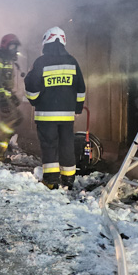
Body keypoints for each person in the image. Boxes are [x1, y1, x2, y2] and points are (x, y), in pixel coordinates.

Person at [24, 26, 86, 190]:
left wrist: (34, 101)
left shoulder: (41, 62)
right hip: (67, 115)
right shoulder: (72, 61)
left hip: (46, 115)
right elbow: (81, 87)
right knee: (67, 145)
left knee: (49, 145)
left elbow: (31, 88)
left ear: (46, 41)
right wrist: (78, 108)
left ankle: (51, 180)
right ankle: (68, 179)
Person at [0, 34, 24, 162]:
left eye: (16, 47)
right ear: (5, 45)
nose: (14, 49)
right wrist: (3, 99)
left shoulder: (8, 60)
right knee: (10, 117)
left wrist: (12, 96)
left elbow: (6, 83)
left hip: (3, 94)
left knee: (17, 118)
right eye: (12, 46)